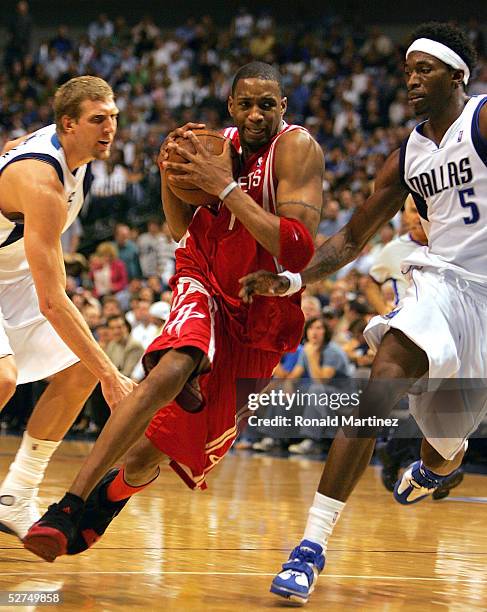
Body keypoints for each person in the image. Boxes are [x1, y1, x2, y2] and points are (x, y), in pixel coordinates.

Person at [22, 61, 325, 562]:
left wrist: (224, 187)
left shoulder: (296, 149)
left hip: (260, 311)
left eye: (266, 105)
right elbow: (180, 232)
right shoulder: (213, 144)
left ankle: (108, 499)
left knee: (156, 450)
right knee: (173, 367)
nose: (255, 114)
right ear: (230, 105)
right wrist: (170, 175)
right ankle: (68, 506)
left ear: (282, 108)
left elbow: (296, 249)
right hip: (203, 275)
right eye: (245, 103)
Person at [239, 22, 485, 605]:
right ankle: (309, 548)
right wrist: (294, 279)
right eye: (407, 70)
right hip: (440, 283)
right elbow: (351, 239)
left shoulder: (480, 120)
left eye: (424, 68)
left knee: (444, 446)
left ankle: (437, 469)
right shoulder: (408, 155)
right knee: (381, 383)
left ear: (457, 75)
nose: (411, 79)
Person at [0, 76, 135, 541]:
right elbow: (53, 300)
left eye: (114, 117)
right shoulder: (43, 183)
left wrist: (97, 369)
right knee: (3, 379)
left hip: (7, 275)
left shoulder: (73, 155)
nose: (110, 128)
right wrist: (112, 376)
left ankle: (17, 495)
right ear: (69, 124)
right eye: (99, 119)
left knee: (78, 366)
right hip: (10, 276)